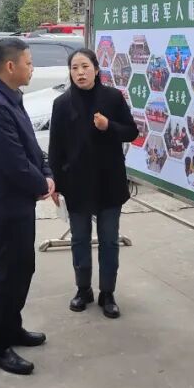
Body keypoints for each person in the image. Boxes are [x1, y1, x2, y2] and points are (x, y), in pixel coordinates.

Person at [0, 38, 53, 376]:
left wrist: (46, 170)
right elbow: (14, 162)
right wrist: (42, 184)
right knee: (8, 275)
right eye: (28, 63)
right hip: (5, 204)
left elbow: (30, 146)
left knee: (23, 268)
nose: (32, 68)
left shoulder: (9, 95)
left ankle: (12, 327)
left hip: (17, 201)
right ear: (10, 66)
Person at [48, 48, 136, 319]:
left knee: (109, 240)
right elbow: (55, 148)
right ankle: (83, 289)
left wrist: (109, 126)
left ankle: (107, 293)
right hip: (76, 183)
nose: (80, 73)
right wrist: (56, 183)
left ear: (96, 70)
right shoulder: (62, 104)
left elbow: (132, 132)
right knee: (80, 239)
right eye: (74, 68)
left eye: (85, 67)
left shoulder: (112, 98)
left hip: (109, 181)